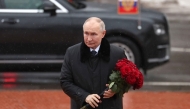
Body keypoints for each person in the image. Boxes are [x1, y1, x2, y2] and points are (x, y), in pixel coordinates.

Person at [60, 17, 126, 109]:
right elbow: (65, 82)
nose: (89, 39)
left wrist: (116, 89)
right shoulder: (71, 53)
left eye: (93, 34)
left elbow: (127, 78)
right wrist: (84, 96)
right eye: (86, 33)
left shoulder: (117, 53)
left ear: (103, 33)